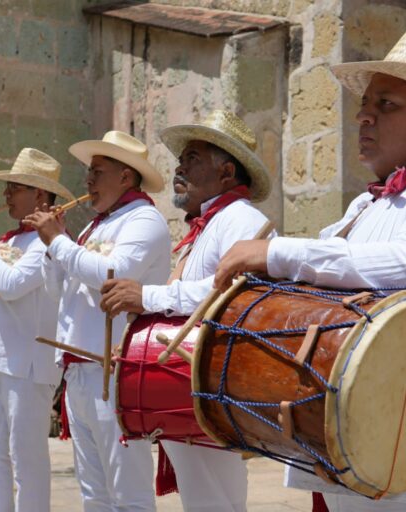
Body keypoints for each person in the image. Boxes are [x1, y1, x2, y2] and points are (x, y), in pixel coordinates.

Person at [214, 26, 406, 512]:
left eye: (387, 104)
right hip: (353, 447)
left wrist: (277, 253)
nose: (364, 116)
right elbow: (315, 284)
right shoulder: (366, 204)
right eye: (366, 105)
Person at [100, 110, 272, 512]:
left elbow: (234, 294)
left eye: (192, 158)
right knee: (206, 498)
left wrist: (147, 297)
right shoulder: (209, 225)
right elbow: (189, 298)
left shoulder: (242, 219)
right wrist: (136, 351)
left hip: (213, 380)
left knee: (215, 500)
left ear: (227, 172)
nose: (179, 166)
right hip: (192, 379)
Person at [23, 132, 170, 511]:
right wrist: (52, 246)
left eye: (97, 171)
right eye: (89, 171)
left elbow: (112, 272)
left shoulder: (145, 219)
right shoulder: (95, 227)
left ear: (125, 177)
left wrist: (58, 241)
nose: (87, 180)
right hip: (80, 370)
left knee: (129, 491)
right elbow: (60, 292)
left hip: (115, 370)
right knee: (93, 492)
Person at [0, 148, 75, 512]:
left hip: (29, 367)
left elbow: (10, 284)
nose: (5, 196)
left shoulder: (48, 241)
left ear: (39, 195)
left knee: (27, 460)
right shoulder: (15, 238)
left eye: (14, 188)